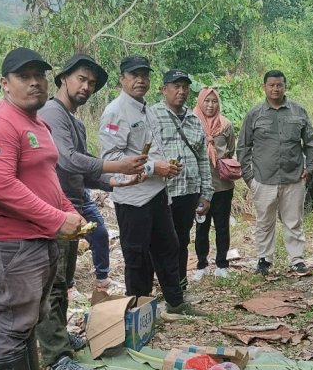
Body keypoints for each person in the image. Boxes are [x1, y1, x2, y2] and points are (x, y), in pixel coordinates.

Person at [0, 47, 87, 370]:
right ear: (5, 84)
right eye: (24, 77)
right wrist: (55, 218)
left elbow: (48, 178)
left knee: (27, 322)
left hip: (39, 241)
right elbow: (0, 186)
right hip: (12, 245)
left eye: (40, 75)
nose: (35, 83)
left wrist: (68, 210)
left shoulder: (36, 122)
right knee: (11, 327)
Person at [37, 53, 147, 370]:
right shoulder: (51, 114)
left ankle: (60, 340)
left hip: (73, 209)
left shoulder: (75, 121)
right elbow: (68, 160)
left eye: (92, 83)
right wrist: (117, 166)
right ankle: (56, 360)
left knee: (64, 284)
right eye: (81, 79)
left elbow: (82, 174)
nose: (86, 86)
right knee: (51, 288)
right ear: (63, 78)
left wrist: (119, 182)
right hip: (52, 211)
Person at [99, 55, 203, 315]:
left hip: (157, 193)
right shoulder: (115, 112)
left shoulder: (147, 109)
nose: (140, 80)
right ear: (122, 79)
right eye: (134, 75)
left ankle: (176, 302)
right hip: (134, 199)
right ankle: (138, 311)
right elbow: (110, 160)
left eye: (144, 75)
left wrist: (165, 166)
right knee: (137, 257)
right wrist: (153, 167)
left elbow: (151, 150)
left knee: (168, 248)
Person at [238, 70, 313, 276]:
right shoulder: (254, 114)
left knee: (294, 221)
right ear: (264, 87)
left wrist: (310, 168)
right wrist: (249, 177)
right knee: (264, 221)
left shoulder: (298, 111)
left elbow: (310, 143)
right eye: (271, 85)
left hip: (293, 177)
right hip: (263, 179)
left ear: (285, 86)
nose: (275, 88)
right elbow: (243, 147)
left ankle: (297, 260)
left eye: (279, 85)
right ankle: (264, 259)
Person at [149, 69, 213, 286]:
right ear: (163, 89)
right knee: (162, 240)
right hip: (163, 191)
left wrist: (206, 194)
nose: (181, 91)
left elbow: (203, 159)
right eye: (176, 86)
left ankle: (179, 284)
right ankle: (163, 284)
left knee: (182, 239)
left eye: (185, 87)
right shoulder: (152, 116)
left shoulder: (194, 120)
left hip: (189, 191)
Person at [194, 87, 237, 279]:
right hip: (200, 186)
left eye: (214, 101)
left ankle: (222, 265)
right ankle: (201, 265)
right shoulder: (192, 122)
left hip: (222, 185)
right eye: (207, 101)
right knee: (201, 227)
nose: (210, 105)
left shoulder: (226, 125)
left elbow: (230, 150)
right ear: (200, 102)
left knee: (221, 226)